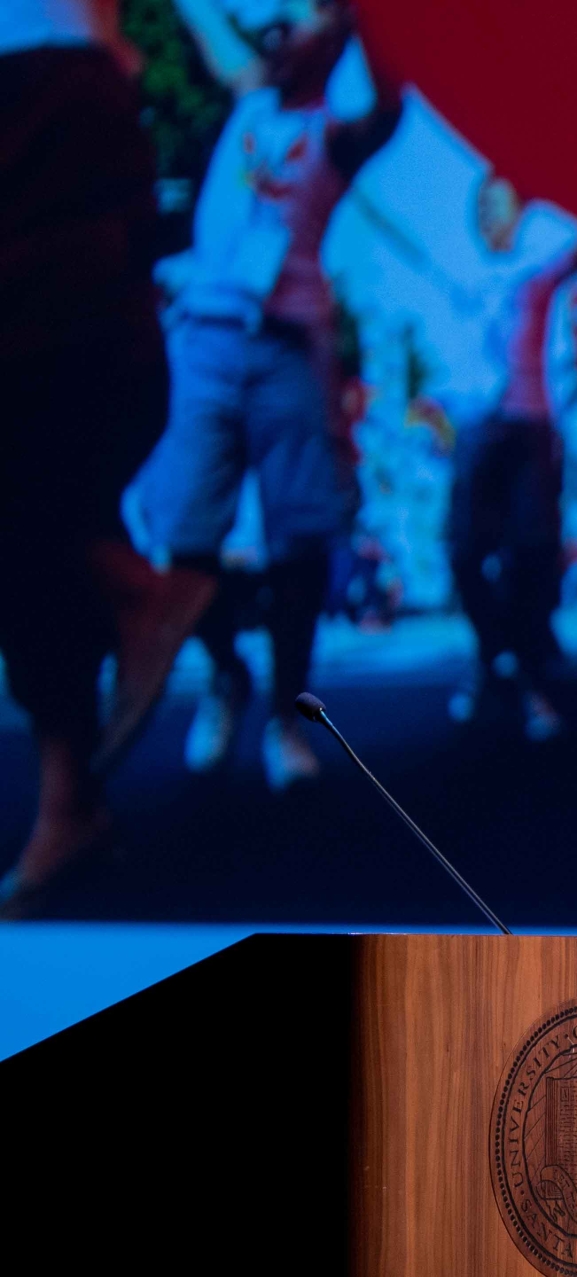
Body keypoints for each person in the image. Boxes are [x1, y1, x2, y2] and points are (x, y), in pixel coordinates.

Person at [133, 0, 400, 790]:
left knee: (298, 542)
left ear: (343, 28)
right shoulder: (249, 91)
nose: (280, 22)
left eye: (307, 11)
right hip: (205, 338)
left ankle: (288, 711)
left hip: (289, 345)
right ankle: (225, 671)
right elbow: (208, 27)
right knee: (184, 531)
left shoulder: (338, 132)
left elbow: (395, 98)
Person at [0, 0, 216, 912]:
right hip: (49, 85)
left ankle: (136, 592)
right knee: (36, 491)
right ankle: (71, 798)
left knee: (46, 374)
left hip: (46, 77)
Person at [444, 175, 577, 740]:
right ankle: (494, 654)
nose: (490, 212)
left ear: (522, 212)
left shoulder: (538, 268)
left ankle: (531, 683)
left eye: (502, 202)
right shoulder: (459, 278)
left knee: (532, 556)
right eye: (482, 203)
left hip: (530, 425)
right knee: (464, 552)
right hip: (475, 429)